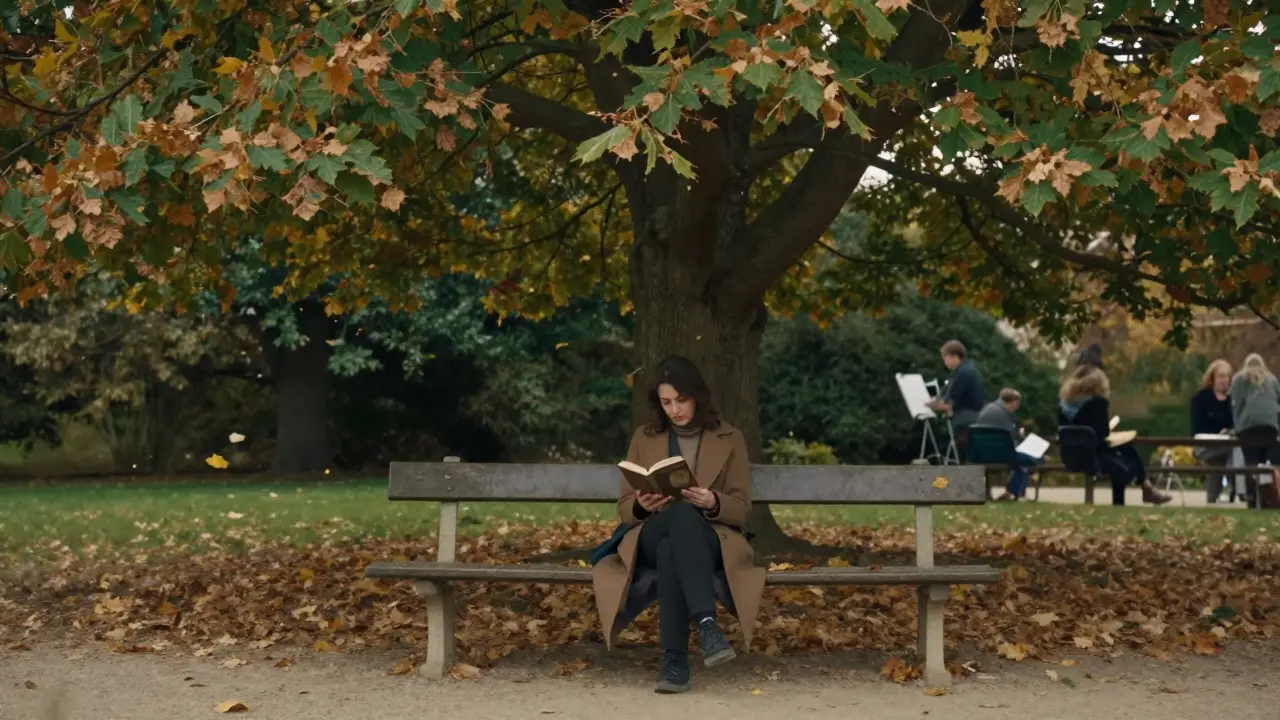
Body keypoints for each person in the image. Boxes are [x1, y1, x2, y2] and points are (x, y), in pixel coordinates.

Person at [590, 356, 765, 695]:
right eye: (666, 402)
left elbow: (742, 509)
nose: (674, 409)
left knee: (674, 547)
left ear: (697, 396)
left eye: (681, 400)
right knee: (677, 520)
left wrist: (713, 501)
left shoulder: (729, 437)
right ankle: (707, 624)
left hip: (709, 535)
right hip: (652, 530)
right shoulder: (645, 437)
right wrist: (641, 505)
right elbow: (624, 507)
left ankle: (675, 663)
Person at [1058, 364, 1172, 506]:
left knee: (1125, 449)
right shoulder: (1097, 403)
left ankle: (1146, 487)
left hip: (1070, 456)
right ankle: (1143, 488)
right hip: (1095, 458)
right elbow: (1102, 433)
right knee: (1125, 456)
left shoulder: (1063, 405)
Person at [1229, 354, 1280, 505]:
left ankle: (1253, 497)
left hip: (1248, 427)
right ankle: (1270, 496)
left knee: (1251, 462)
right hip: (1270, 426)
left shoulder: (1240, 379)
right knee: (1268, 463)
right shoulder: (1272, 380)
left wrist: (1237, 428)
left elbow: (1236, 405)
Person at [976, 388, 1042, 501]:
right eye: (1017, 404)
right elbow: (1010, 440)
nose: (1016, 408)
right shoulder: (1004, 414)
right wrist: (1020, 436)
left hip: (981, 454)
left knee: (1022, 462)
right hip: (1000, 455)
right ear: (1014, 402)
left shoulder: (987, 409)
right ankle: (1012, 492)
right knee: (1034, 458)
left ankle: (1012, 492)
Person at [928, 340, 983, 461]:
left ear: (954, 356)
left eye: (945, 357)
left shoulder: (963, 373)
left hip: (965, 422)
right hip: (971, 419)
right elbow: (944, 394)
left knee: (963, 458)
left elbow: (949, 401)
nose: (944, 361)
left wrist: (930, 405)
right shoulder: (965, 370)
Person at [1189, 359, 1235, 503]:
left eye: (1228, 376)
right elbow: (1197, 427)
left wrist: (1230, 431)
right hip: (1205, 445)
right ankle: (1236, 487)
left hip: (1228, 445)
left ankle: (1213, 499)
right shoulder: (1200, 399)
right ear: (1212, 378)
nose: (1225, 380)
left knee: (1224, 457)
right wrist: (1219, 433)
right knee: (1234, 452)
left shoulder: (1234, 401)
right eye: (1221, 376)